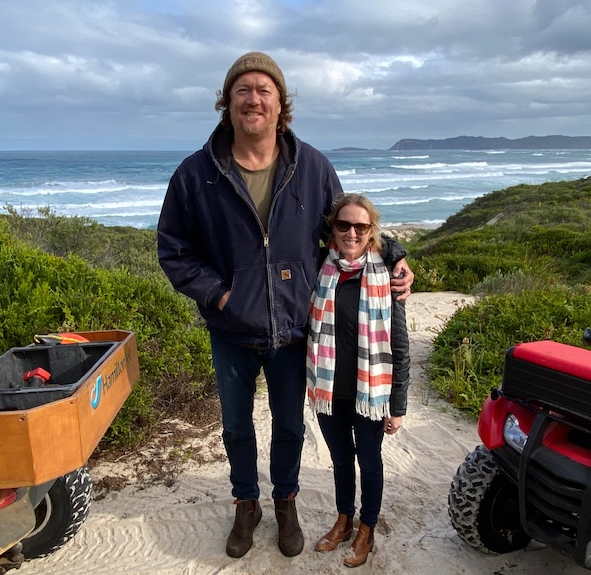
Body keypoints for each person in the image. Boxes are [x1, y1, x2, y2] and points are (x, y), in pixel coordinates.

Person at [156, 51, 413, 559]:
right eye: (242, 90)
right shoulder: (196, 174)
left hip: (296, 326)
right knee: (234, 426)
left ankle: (286, 502)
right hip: (231, 328)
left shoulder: (312, 166)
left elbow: (347, 227)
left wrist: (398, 257)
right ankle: (246, 503)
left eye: (264, 90)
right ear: (226, 104)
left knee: (291, 425)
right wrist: (221, 294)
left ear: (281, 104)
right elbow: (174, 249)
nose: (254, 99)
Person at [307, 193, 410, 568]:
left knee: (369, 461)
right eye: (343, 225)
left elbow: (400, 346)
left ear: (372, 232)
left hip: (371, 392)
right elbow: (301, 229)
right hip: (328, 389)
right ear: (332, 230)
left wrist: (397, 407)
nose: (352, 232)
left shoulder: (389, 275)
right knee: (339, 460)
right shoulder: (320, 266)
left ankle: (366, 527)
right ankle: (343, 519)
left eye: (361, 226)